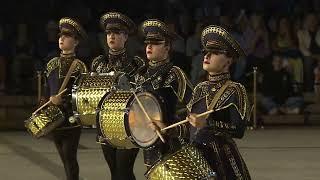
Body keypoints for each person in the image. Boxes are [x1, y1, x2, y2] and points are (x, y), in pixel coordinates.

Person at [186, 25, 251, 180]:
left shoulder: (236, 89)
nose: (207, 56)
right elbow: (188, 125)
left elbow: (239, 130)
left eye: (214, 52)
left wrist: (207, 124)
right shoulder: (200, 88)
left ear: (228, 61)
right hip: (198, 158)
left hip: (223, 159)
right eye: (205, 52)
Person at [91, 12, 146, 180]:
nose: (111, 36)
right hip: (105, 123)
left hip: (129, 124)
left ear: (125, 36)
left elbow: (143, 95)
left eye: (116, 33)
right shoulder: (98, 63)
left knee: (124, 171)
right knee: (115, 172)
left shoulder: (137, 64)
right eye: (108, 33)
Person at [135, 19, 193, 168]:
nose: (149, 46)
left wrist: (172, 126)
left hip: (174, 144)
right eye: (147, 42)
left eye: (155, 43)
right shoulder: (141, 74)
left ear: (167, 47)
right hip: (150, 141)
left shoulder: (174, 73)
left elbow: (195, 106)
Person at [44, 17, 88, 180]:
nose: (61, 38)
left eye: (67, 36)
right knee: (64, 159)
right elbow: (47, 89)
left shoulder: (80, 66)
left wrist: (63, 100)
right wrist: (48, 100)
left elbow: (82, 95)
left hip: (71, 119)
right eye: (60, 35)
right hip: (54, 119)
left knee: (70, 158)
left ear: (76, 42)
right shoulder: (51, 63)